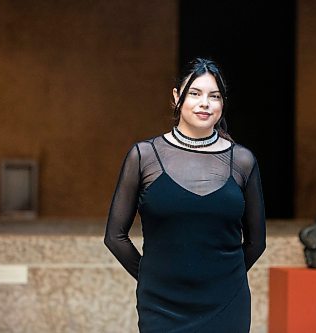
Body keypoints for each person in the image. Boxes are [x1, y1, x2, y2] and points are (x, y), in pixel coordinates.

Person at [104, 58, 266, 332]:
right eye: (195, 93)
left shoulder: (242, 161)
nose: (205, 103)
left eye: (214, 96)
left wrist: (225, 279)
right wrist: (150, 278)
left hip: (227, 303)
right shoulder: (144, 156)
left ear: (222, 103)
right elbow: (115, 236)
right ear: (176, 97)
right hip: (162, 304)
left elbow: (256, 242)